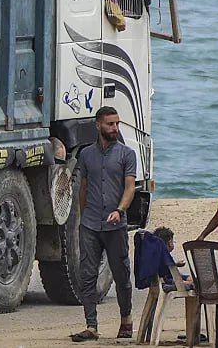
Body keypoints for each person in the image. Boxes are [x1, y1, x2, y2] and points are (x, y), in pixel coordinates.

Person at [71, 106, 137, 342]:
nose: (115, 128)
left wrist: (120, 210)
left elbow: (130, 187)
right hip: (90, 224)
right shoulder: (86, 154)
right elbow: (84, 187)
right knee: (87, 274)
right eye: (110, 124)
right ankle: (91, 326)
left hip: (116, 225)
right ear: (98, 125)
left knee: (121, 274)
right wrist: (82, 216)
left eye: (117, 123)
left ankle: (126, 319)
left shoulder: (127, 154)